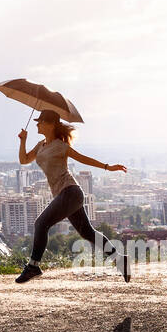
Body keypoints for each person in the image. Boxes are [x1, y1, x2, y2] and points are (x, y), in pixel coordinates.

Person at [14, 110, 130, 283]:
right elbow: (24, 160)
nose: (37, 124)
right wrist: (23, 141)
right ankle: (120, 259)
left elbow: (83, 159)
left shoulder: (60, 146)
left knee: (41, 223)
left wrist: (108, 167)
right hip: (66, 195)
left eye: (41, 121)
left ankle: (33, 266)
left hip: (70, 192)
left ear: (51, 124)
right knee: (88, 233)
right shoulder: (40, 145)